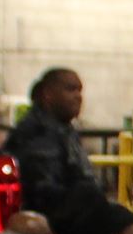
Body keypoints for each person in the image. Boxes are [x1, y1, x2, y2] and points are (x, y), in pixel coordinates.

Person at [7, 68, 94, 216]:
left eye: (80, 90)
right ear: (48, 94)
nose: (78, 97)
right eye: (70, 90)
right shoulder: (37, 133)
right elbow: (46, 195)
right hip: (49, 224)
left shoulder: (64, 129)